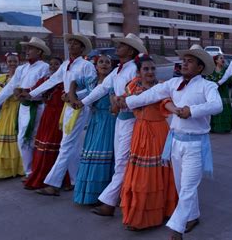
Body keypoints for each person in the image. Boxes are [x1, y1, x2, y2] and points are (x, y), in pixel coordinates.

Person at [116, 46, 222, 240]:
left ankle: (176, 229)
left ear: (200, 68)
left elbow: (217, 105)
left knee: (188, 187)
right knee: (182, 186)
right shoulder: (173, 83)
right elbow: (151, 94)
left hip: (195, 144)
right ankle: (193, 215)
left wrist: (192, 110)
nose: (184, 63)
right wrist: (127, 102)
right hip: (174, 142)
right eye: (184, 60)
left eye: (190, 61)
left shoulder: (208, 86)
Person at [74, 33, 147, 215]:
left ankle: (109, 202)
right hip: (120, 120)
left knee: (122, 161)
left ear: (130, 50)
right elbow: (102, 88)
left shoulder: (133, 70)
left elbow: (140, 94)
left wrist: (122, 101)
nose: (117, 48)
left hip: (131, 120)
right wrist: (82, 102)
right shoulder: (118, 70)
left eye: (121, 45)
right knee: (119, 161)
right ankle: (120, 196)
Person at [24, 33, 96, 196]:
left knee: (66, 145)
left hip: (78, 107)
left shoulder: (86, 66)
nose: (71, 46)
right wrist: (32, 94)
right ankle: (75, 180)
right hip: (68, 107)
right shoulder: (65, 65)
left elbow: (92, 88)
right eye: (70, 43)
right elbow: (52, 81)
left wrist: (76, 96)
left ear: (82, 48)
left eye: (75, 44)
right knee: (73, 145)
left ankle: (53, 183)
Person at [119, 53, 178, 231]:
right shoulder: (132, 86)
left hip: (159, 132)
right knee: (140, 175)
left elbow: (166, 102)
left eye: (153, 68)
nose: (150, 71)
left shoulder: (161, 87)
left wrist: (177, 110)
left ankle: (159, 213)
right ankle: (138, 215)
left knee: (155, 174)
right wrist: (116, 101)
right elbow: (121, 102)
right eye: (146, 69)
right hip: (140, 131)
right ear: (139, 72)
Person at [0, 38, 51, 179]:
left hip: (37, 107)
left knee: (34, 138)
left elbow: (46, 87)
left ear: (39, 51)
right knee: (22, 138)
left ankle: (36, 171)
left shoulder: (44, 67)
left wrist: (30, 94)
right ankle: (29, 171)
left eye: (30, 48)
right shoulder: (22, 68)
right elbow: (11, 87)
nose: (27, 51)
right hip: (23, 107)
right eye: (27, 48)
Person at [72, 54, 116, 205]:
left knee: (104, 153)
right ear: (96, 66)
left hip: (109, 120)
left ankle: (104, 194)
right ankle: (89, 193)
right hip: (95, 120)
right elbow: (74, 82)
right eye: (101, 62)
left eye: (107, 62)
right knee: (90, 154)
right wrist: (72, 98)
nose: (104, 64)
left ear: (111, 66)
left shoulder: (113, 82)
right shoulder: (91, 81)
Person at [24, 57, 71, 190]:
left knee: (56, 145)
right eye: (51, 64)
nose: (53, 66)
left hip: (59, 115)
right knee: (42, 145)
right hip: (47, 115)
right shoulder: (45, 80)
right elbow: (34, 91)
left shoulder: (64, 82)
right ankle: (39, 175)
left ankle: (59, 179)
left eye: (56, 64)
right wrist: (25, 93)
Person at [0, 53, 24, 178]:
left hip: (19, 107)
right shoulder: (3, 78)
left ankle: (20, 167)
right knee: (4, 133)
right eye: (10, 61)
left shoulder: (22, 76)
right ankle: (6, 168)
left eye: (15, 61)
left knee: (18, 134)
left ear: (19, 62)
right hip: (6, 110)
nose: (12, 64)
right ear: (6, 62)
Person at [204, 54, 232, 133]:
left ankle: (226, 127)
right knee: (215, 108)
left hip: (224, 91)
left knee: (225, 108)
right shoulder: (212, 71)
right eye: (221, 58)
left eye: (223, 58)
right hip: (215, 92)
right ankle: (215, 127)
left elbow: (230, 80)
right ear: (216, 61)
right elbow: (208, 81)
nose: (223, 60)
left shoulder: (226, 70)